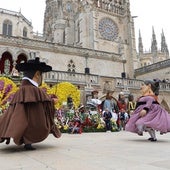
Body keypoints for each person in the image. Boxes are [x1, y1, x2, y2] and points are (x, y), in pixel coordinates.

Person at [0, 57, 61, 150]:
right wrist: (52, 101)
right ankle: (28, 140)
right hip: (30, 122)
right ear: (37, 74)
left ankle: (25, 139)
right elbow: (42, 106)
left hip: (23, 121)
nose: (41, 78)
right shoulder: (32, 89)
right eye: (41, 75)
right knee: (32, 119)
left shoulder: (22, 89)